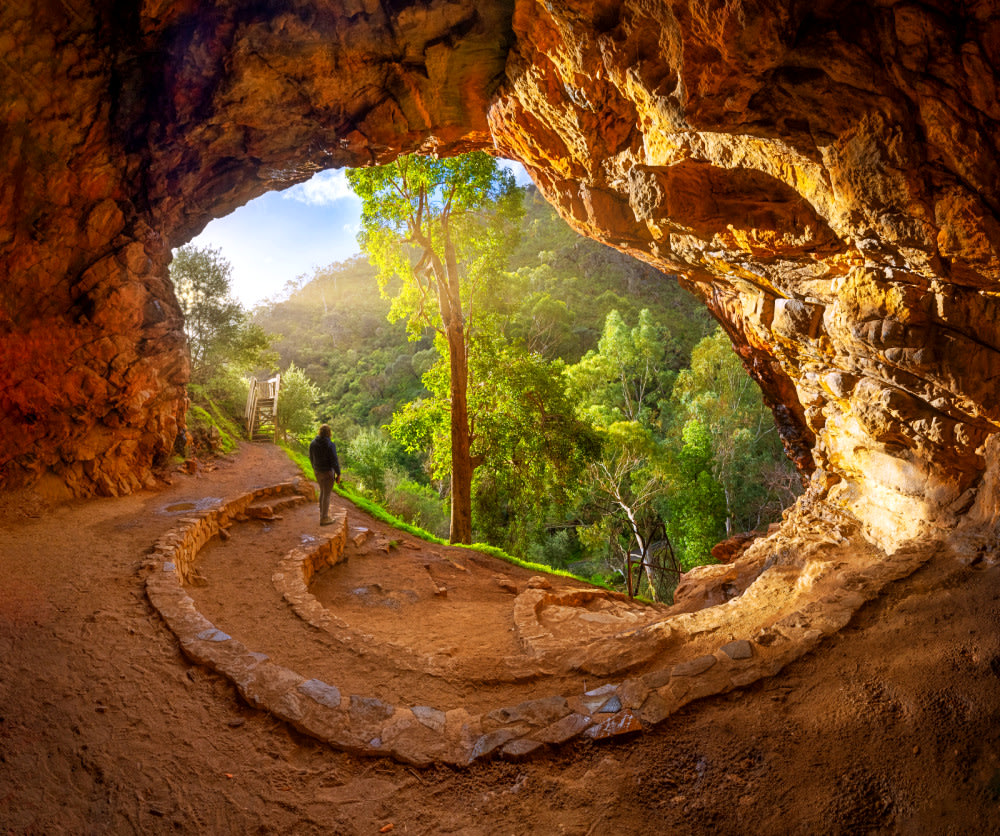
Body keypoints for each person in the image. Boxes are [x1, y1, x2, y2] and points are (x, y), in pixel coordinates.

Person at [308, 423, 341, 525]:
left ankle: (322, 514)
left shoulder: (313, 443)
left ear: (319, 432)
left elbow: (311, 457)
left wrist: (314, 468)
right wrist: (338, 474)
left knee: (322, 491)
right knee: (326, 494)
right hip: (327, 473)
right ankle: (324, 518)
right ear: (329, 433)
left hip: (317, 472)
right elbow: (334, 461)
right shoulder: (330, 445)